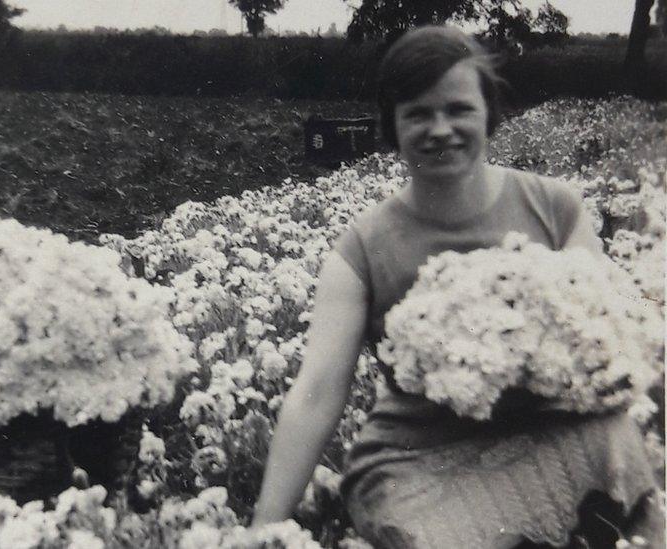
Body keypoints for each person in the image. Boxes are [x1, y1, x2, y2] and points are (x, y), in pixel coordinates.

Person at [252, 26, 663, 549]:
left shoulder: (555, 207)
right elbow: (316, 394)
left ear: (488, 115)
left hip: (550, 432)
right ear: (392, 126)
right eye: (418, 113)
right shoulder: (360, 249)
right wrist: (266, 526)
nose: (440, 129)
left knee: (620, 461)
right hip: (420, 461)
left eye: (459, 109)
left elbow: (608, 334)